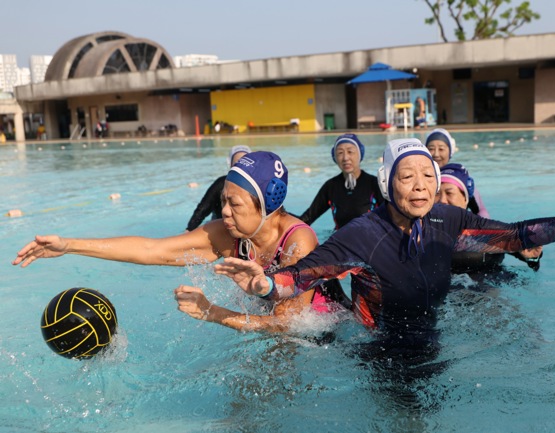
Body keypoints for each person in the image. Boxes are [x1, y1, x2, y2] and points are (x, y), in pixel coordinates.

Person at [213, 138, 555, 342]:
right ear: (387, 183)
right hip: (377, 344)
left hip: (431, 334)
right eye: (407, 176)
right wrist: (265, 285)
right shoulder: (361, 234)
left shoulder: (447, 219)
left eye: (426, 176)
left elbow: (514, 236)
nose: (419, 185)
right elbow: (303, 276)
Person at [14, 151, 345, 333]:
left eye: (234, 204)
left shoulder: (298, 241)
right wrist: (69, 245)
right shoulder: (229, 233)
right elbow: (152, 250)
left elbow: (287, 325)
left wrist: (213, 313)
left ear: (267, 204)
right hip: (267, 322)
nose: (224, 212)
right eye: (223, 201)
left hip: (323, 334)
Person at [437, 163, 543, 273]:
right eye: (437, 194)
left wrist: (532, 257)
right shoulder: (426, 231)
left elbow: (532, 263)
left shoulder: (485, 232)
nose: (442, 200)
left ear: (465, 199)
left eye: (449, 193)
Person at [299, 134, 384, 230]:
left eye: (350, 152)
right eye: (340, 153)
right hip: (340, 238)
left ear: (360, 153)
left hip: (371, 238)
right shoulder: (331, 187)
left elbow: (391, 218)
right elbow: (308, 217)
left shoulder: (374, 184)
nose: (345, 158)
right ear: (334, 157)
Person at [425, 128, 490, 217]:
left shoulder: (461, 179)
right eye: (431, 149)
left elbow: (481, 212)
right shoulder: (420, 180)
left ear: (450, 152)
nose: (436, 154)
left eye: (441, 149)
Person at [185, 145, 251, 232]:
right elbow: (203, 209)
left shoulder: (257, 187)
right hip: (220, 227)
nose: (241, 169)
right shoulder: (220, 185)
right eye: (238, 164)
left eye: (245, 164)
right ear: (230, 165)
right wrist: (189, 230)